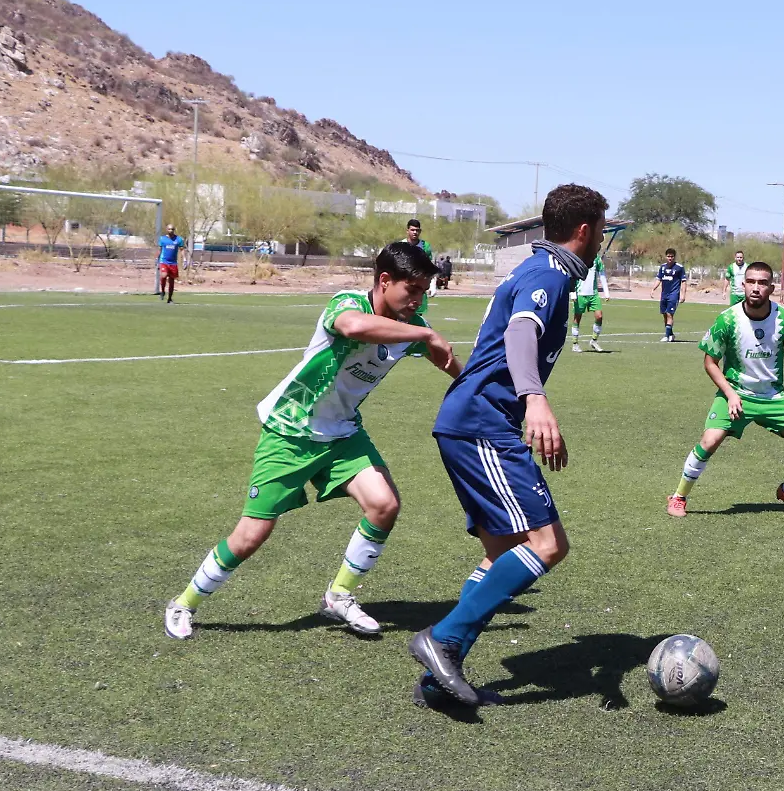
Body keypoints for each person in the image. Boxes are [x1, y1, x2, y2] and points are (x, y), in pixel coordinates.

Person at [163, 242, 458, 641]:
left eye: (424, 291)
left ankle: (339, 595)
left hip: (343, 433)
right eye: (413, 290)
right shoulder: (348, 302)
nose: (418, 300)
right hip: (291, 430)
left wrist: (482, 389)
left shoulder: (409, 325)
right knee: (251, 535)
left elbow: (450, 364)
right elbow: (354, 328)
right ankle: (184, 602)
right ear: (384, 280)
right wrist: (426, 333)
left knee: (384, 505)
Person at [411, 184, 608, 707]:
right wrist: (535, 400)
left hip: (469, 421)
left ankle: (438, 679)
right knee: (547, 545)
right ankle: (443, 639)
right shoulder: (547, 275)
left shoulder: (537, 268)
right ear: (584, 231)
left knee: (504, 556)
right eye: (601, 232)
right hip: (483, 423)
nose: (600, 245)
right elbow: (522, 332)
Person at [667, 261, 784, 518]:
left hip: (772, 397)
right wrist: (730, 393)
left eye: (762, 283)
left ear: (771, 287)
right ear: (743, 285)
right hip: (736, 393)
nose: (756, 288)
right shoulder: (728, 319)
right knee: (709, 440)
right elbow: (710, 363)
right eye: (751, 282)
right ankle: (679, 496)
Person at [571, 252, 609, 352]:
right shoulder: (578, 256)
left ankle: (594, 340)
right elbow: (572, 276)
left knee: (599, 316)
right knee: (577, 318)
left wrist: (606, 292)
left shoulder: (597, 258)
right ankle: (575, 343)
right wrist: (572, 293)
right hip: (580, 293)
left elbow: (602, 274)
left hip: (593, 293)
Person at [656, 248, 688, 342]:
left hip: (674, 294)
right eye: (668, 256)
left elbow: (683, 281)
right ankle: (671, 334)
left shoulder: (679, 268)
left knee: (670, 314)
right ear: (666, 257)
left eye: (672, 256)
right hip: (664, 294)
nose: (670, 258)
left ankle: (666, 336)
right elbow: (659, 279)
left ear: (674, 257)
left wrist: (683, 294)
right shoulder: (662, 267)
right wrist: (653, 289)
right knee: (665, 314)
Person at [406, 220, 434, 313]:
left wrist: (432, 285)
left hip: (419, 283)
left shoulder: (425, 246)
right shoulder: (401, 245)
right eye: (412, 230)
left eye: (417, 230)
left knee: (417, 312)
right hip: (404, 282)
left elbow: (429, 267)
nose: (415, 232)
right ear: (407, 231)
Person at [156, 224, 185, 303]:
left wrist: (184, 259)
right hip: (164, 261)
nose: (170, 231)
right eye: (169, 229)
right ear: (166, 230)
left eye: (172, 229)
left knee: (171, 280)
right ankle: (162, 291)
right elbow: (160, 249)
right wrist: (157, 259)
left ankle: (170, 298)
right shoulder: (163, 239)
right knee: (164, 275)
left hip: (173, 263)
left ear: (174, 230)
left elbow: (182, 249)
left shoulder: (178, 239)